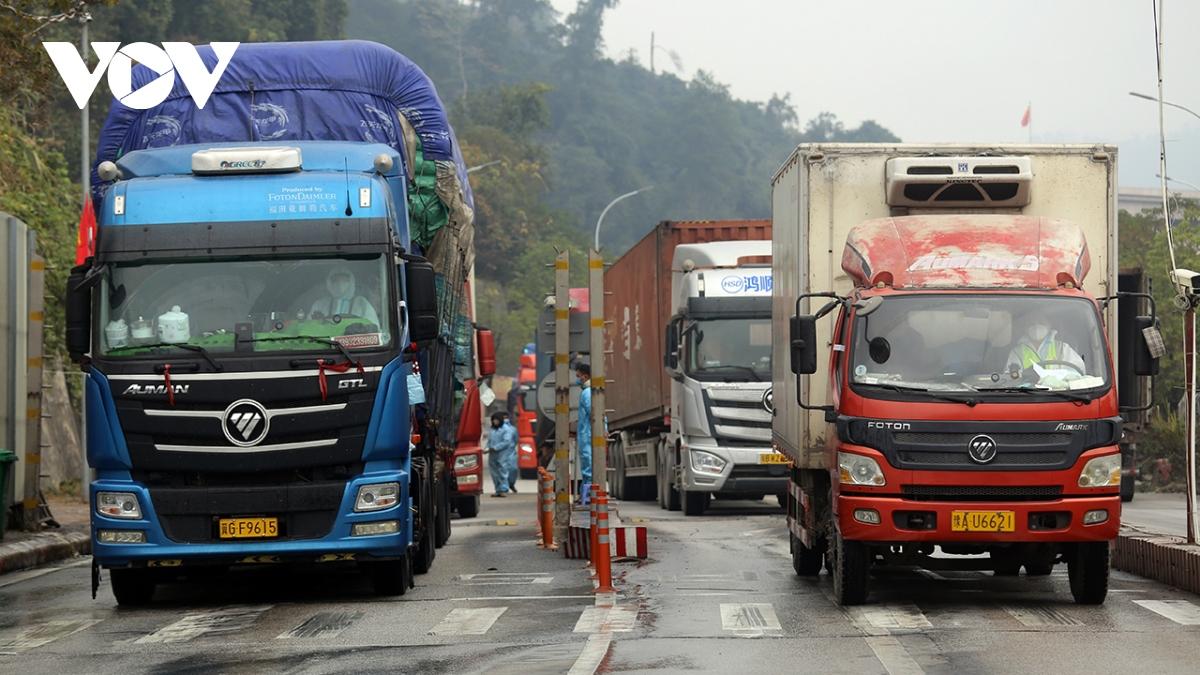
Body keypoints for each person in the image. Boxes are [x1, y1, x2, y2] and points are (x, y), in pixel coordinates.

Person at [1005, 314, 1086, 379]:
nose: (1036, 327)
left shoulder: (1062, 348)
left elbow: (1078, 372)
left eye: (1041, 323)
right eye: (1031, 324)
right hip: (1028, 396)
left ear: (1049, 325)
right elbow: (1011, 378)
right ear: (1025, 328)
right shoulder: (1017, 352)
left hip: (1058, 395)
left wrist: (1059, 380)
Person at [309, 267, 380, 327]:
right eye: (335, 280)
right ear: (329, 282)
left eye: (344, 280)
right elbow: (309, 328)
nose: (340, 283)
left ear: (351, 281)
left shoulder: (362, 303)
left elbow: (373, 329)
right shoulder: (319, 304)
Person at [575, 362, 594, 505]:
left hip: (587, 435)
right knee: (588, 469)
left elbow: (593, 413)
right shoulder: (589, 392)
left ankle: (587, 498)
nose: (577, 379)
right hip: (586, 435)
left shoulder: (587, 393)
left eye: (578, 376)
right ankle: (585, 496)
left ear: (585, 376)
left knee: (589, 470)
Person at [486, 411, 517, 497]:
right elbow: (489, 441)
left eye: (496, 420)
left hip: (502, 453)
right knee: (494, 473)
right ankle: (498, 490)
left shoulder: (506, 429)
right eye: (493, 420)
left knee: (502, 471)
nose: (495, 422)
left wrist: (496, 447)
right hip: (492, 454)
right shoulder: (492, 430)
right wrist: (486, 448)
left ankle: (503, 489)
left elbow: (507, 441)